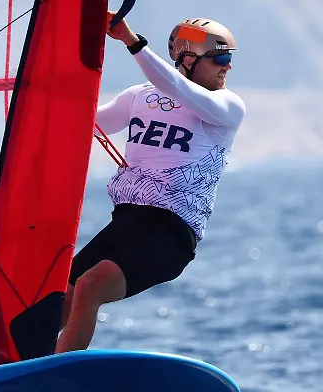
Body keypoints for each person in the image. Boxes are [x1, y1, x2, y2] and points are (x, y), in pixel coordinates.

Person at [56, 14, 247, 353]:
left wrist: (132, 42)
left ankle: (56, 377)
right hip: (126, 222)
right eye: (220, 58)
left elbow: (178, 89)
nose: (227, 67)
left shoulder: (227, 106)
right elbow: (80, 124)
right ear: (188, 60)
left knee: (90, 287)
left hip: (171, 235)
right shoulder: (138, 97)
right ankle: (15, 366)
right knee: (57, 300)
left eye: (229, 58)